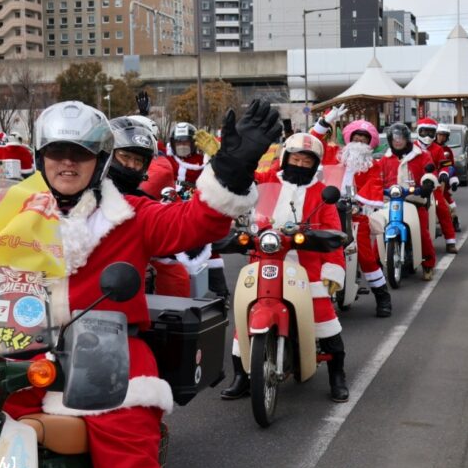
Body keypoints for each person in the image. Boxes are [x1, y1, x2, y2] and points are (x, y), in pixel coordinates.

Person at [0, 76, 280, 468]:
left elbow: (195, 223)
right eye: (57, 152)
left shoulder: (129, 216)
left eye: (81, 152)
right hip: (16, 358)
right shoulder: (8, 210)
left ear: (101, 159)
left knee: (128, 447)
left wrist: (231, 168)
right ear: (42, 156)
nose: (68, 162)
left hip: (107, 361)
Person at [222, 133, 350, 402]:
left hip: (307, 268)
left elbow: (334, 234)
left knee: (325, 318)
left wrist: (333, 270)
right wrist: (227, 159)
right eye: (295, 158)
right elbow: (243, 184)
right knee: (246, 313)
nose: (300, 164)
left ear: (314, 165)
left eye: (306, 160)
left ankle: (337, 376)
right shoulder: (267, 180)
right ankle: (241, 376)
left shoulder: (319, 192)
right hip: (264, 260)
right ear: (284, 159)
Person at [109, 116, 191, 298]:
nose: (131, 165)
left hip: (121, 301)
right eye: (125, 156)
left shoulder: (141, 203)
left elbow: (186, 224)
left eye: (138, 160)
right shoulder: (79, 194)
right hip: (67, 304)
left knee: (173, 266)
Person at [166, 121, 230, 302]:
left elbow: (222, 171)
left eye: (186, 143)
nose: (183, 147)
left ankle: (218, 291)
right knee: (171, 250)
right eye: (179, 144)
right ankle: (173, 291)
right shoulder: (167, 160)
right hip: (173, 211)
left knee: (209, 249)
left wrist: (218, 154)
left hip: (199, 210)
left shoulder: (203, 160)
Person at [340, 120, 392, 317]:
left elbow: (374, 185)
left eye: (364, 139)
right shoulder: (337, 159)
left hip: (355, 214)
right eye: (356, 137)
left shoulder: (373, 165)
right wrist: (323, 123)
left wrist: (358, 202)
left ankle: (382, 296)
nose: (359, 141)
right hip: (329, 213)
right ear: (349, 138)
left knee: (365, 256)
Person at [378, 123, 438, 281]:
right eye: (394, 138)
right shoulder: (385, 159)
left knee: (422, 233)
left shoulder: (422, 155)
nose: (397, 141)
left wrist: (427, 183)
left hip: (414, 199)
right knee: (375, 230)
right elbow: (376, 177)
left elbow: (430, 172)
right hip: (390, 201)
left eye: (401, 138)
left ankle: (428, 264)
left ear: (407, 139)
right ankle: (374, 266)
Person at [414, 118, 458, 254]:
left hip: (433, 186)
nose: (427, 136)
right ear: (418, 131)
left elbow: (445, 165)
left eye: (430, 132)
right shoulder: (411, 147)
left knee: (442, 209)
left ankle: (450, 241)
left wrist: (444, 174)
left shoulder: (438, 149)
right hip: (414, 186)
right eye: (424, 132)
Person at [435, 124, 461, 232]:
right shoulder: (428, 149)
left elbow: (451, 167)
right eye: (440, 135)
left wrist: (453, 181)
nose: (442, 137)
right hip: (429, 182)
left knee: (451, 206)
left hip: (443, 184)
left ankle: (454, 221)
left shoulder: (447, 151)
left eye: (444, 136)